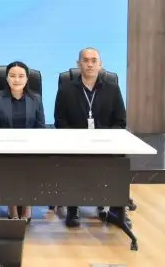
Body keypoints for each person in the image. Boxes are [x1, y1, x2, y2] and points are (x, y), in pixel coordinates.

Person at [54, 47, 129, 229]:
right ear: (78, 64)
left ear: (100, 64)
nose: (89, 64)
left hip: (105, 144)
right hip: (75, 143)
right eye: (85, 60)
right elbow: (60, 121)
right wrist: (78, 139)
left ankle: (116, 210)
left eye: (94, 60)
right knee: (71, 160)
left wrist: (104, 138)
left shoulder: (112, 89)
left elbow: (120, 121)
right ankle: (73, 208)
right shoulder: (66, 90)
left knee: (120, 160)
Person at [0, 60, 45, 222]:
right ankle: (12, 204)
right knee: (11, 163)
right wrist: (6, 145)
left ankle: (27, 204)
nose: (17, 79)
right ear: (7, 78)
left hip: (30, 149)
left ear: (27, 79)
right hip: (4, 148)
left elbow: (40, 128)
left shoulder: (36, 99)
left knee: (28, 162)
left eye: (21, 76)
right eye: (12, 76)